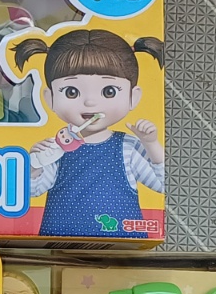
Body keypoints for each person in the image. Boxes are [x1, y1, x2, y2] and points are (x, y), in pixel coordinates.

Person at [12, 27, 164, 236]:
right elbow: (33, 191)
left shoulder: (128, 147)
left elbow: (162, 185)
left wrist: (151, 143)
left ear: (133, 97)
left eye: (109, 91)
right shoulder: (56, 148)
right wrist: (34, 165)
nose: (90, 102)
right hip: (59, 238)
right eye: (71, 92)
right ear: (50, 98)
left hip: (122, 239)